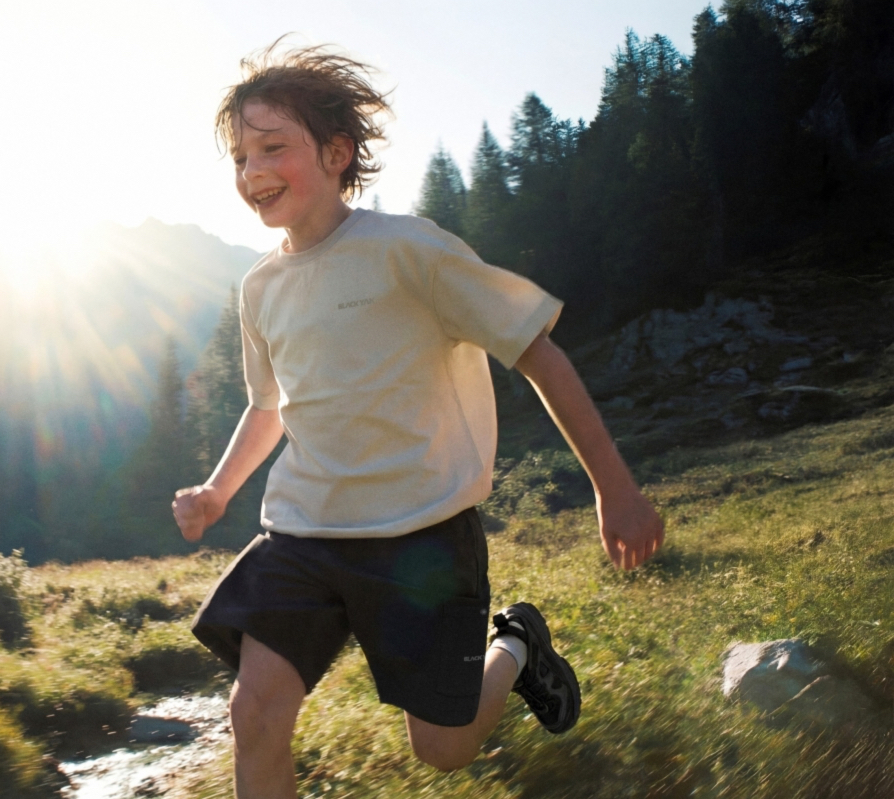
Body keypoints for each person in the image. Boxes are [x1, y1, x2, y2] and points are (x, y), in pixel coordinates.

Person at [172, 41, 664, 799]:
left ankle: (516, 647)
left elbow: (537, 354)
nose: (252, 172)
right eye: (240, 157)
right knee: (254, 712)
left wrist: (616, 489)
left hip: (421, 537)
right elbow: (270, 406)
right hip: (303, 533)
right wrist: (217, 491)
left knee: (443, 747)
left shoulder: (407, 250)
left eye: (272, 148)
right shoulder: (260, 288)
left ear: (337, 153)